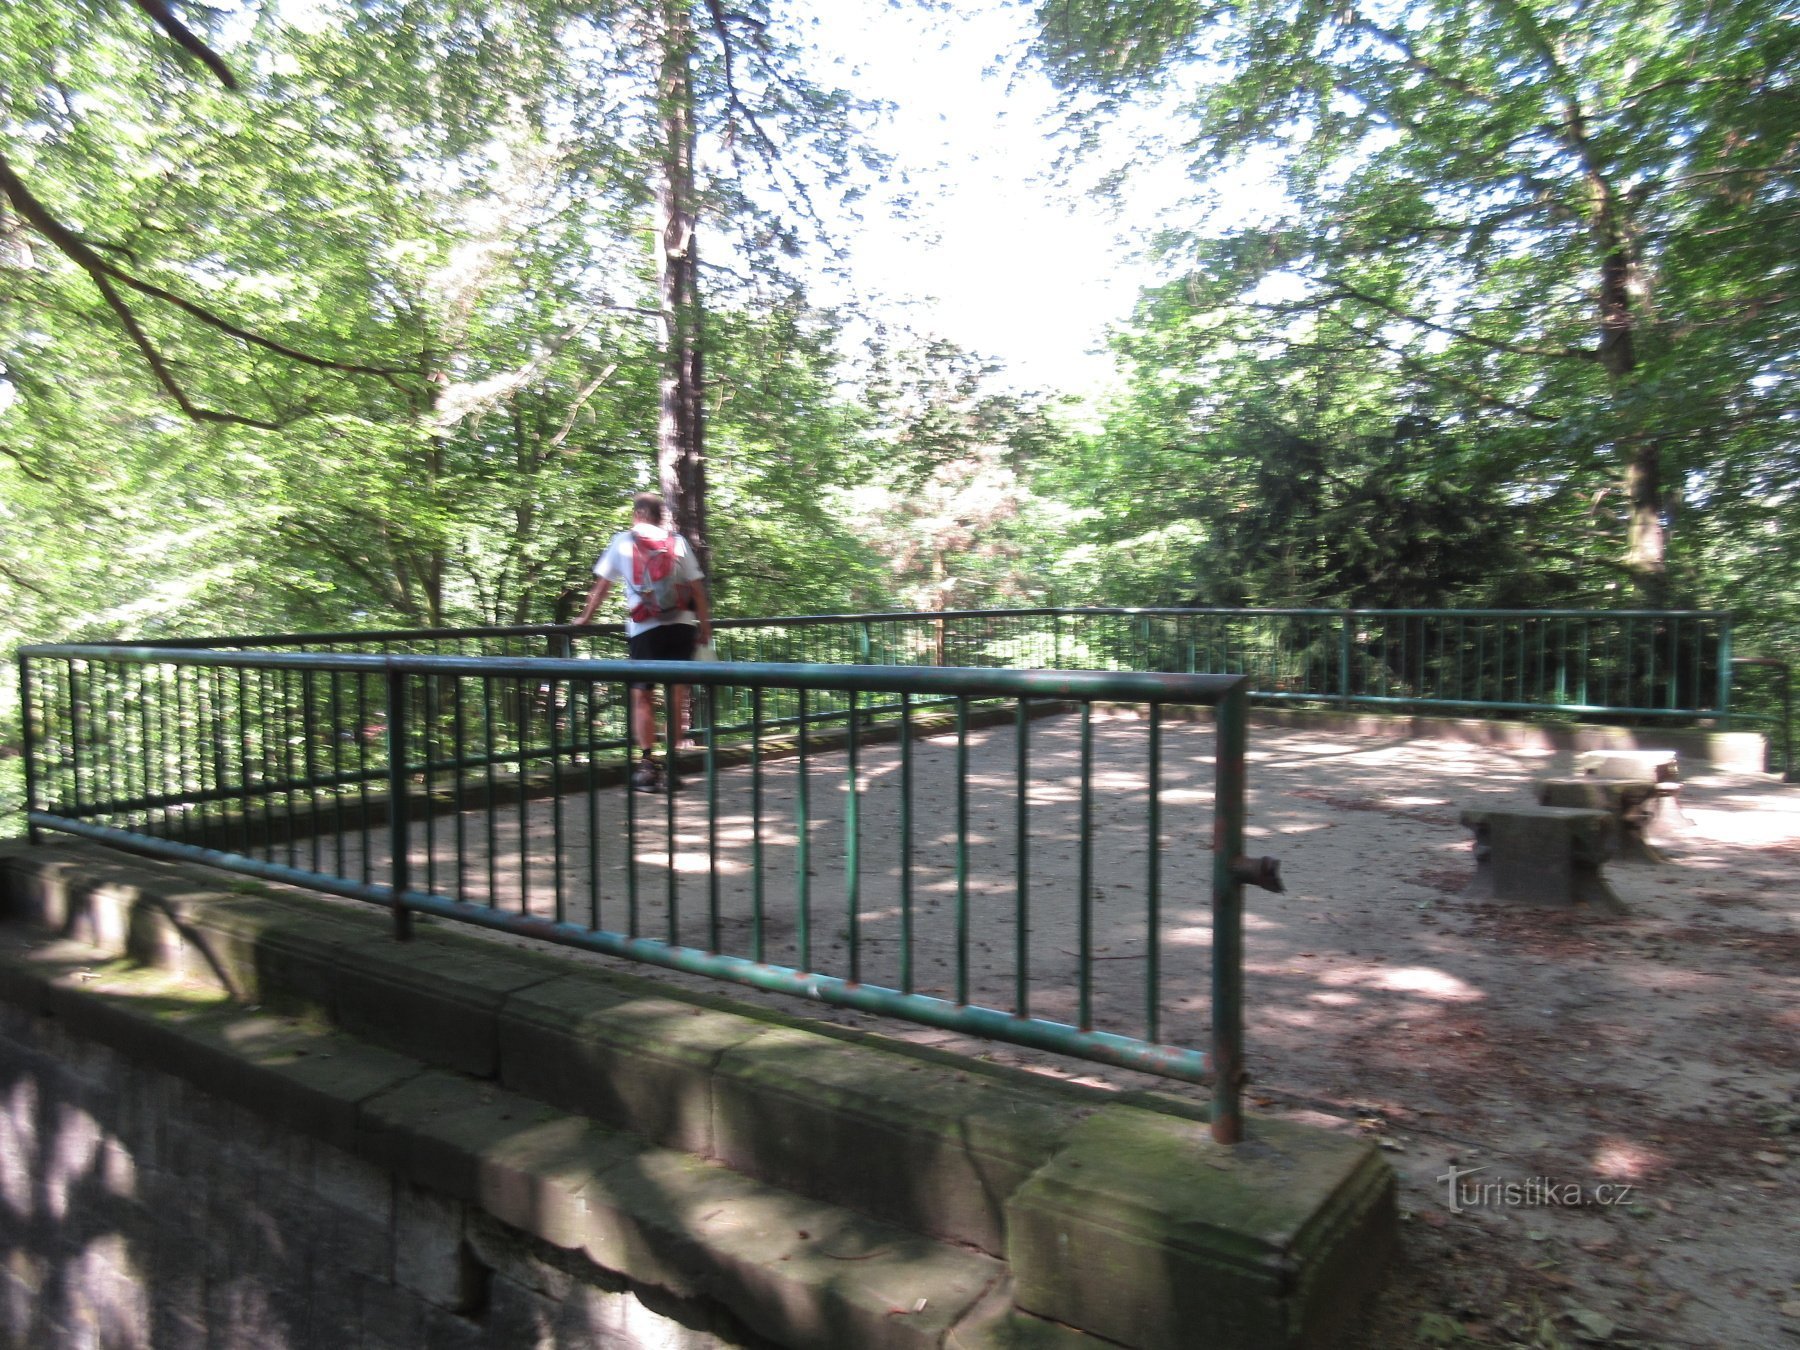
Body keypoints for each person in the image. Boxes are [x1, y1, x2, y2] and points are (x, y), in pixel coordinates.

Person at [575, 492, 712, 792]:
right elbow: (697, 589)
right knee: (676, 697)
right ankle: (673, 764)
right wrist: (704, 626)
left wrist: (584, 619)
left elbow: (602, 586)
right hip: (681, 626)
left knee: (643, 696)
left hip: (644, 628)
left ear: (638, 515)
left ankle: (648, 766)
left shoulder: (622, 541)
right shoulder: (677, 542)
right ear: (660, 516)